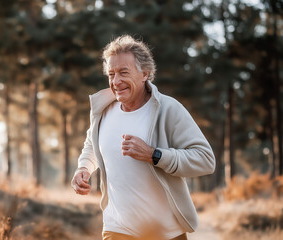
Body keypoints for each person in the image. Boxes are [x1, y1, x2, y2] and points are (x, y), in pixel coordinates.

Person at [71, 35, 215, 240]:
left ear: (145, 74)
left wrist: (154, 155)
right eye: (111, 74)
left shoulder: (168, 109)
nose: (116, 81)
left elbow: (205, 160)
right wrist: (83, 168)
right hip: (117, 228)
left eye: (123, 72)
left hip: (166, 233)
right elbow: (92, 146)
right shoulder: (102, 111)